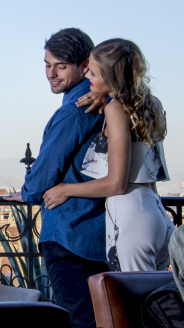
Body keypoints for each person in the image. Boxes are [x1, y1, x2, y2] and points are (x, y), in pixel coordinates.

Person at [4, 28, 108, 328]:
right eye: (47, 65)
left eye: (60, 66)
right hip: (100, 232)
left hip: (69, 232)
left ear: (83, 65)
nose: (51, 73)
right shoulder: (105, 101)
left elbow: (44, 173)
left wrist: (27, 192)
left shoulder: (75, 111)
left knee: (78, 320)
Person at [42, 38, 174, 272]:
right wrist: (106, 95)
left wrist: (64, 189)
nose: (87, 77)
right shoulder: (151, 103)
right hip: (156, 210)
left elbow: (116, 183)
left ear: (109, 75)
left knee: (134, 301)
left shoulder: (115, 109)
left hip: (130, 213)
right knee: (154, 297)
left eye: (92, 72)